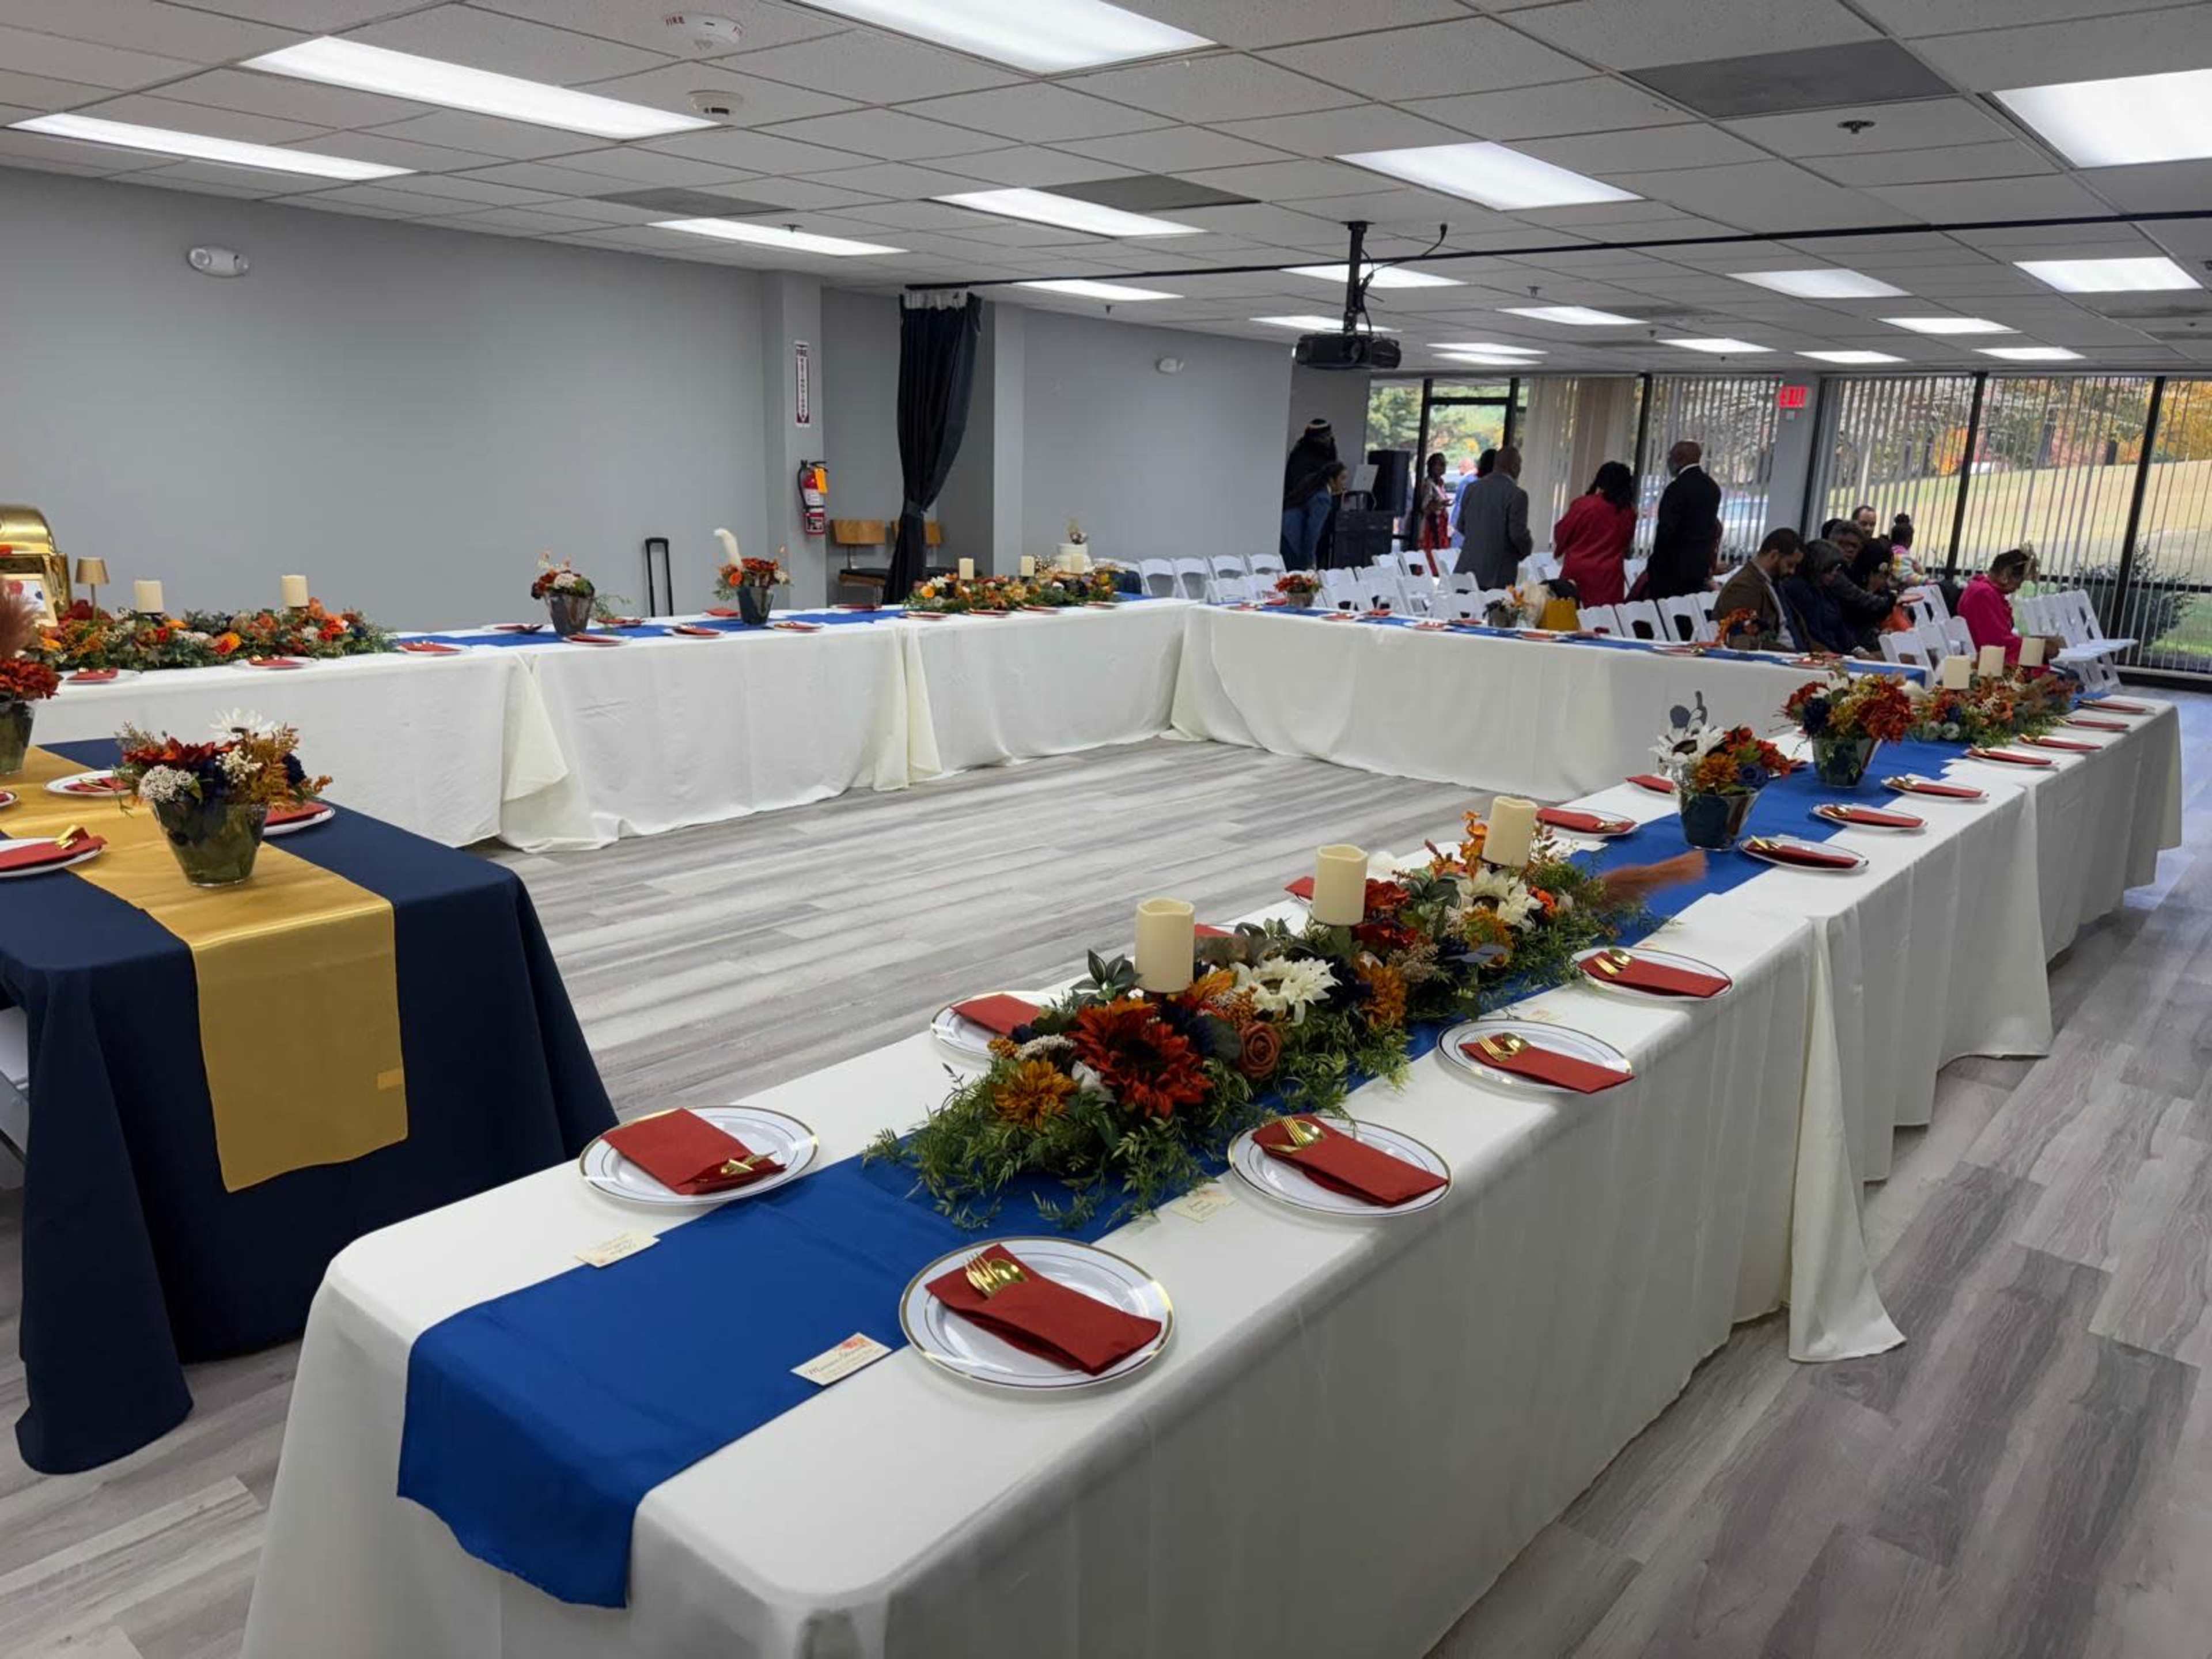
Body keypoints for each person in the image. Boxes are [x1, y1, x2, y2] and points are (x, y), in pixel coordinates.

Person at [1959, 547, 2065, 668]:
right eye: (2019, 581)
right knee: (2070, 677)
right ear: (2006, 574)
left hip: (1988, 659)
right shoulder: (1984, 594)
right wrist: (2040, 648)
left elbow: (1998, 637)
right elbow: (1998, 644)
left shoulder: (1980, 589)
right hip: (1991, 666)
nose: (2019, 587)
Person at [1551, 461, 1637, 607]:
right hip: (1610, 577)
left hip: (1578, 574)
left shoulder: (1584, 505)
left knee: (1572, 619)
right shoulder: (1628, 512)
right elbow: (1625, 545)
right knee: (1605, 622)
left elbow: (1562, 533)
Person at [1645, 440, 1721, 599]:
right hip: (1698, 568)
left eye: (1670, 456)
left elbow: (1666, 530)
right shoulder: (1712, 487)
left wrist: (1655, 563)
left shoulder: (1677, 488)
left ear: (1680, 457)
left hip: (1671, 570)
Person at [1711, 527, 1802, 649]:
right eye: (1790, 565)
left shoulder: (1773, 583)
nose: (1792, 571)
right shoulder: (1744, 587)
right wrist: (1793, 654)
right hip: (1777, 658)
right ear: (1774, 555)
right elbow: (1744, 640)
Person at [1454, 445, 1531, 587]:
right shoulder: (1517, 495)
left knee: (1463, 608)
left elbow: (1461, 525)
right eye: (1519, 464)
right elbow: (1518, 534)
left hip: (1466, 570)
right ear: (1514, 466)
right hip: (1497, 574)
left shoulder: (1472, 489)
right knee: (1493, 609)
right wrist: (1526, 550)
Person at [1779, 540, 1863, 656]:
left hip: (1836, 652)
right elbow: (1815, 633)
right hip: (1821, 653)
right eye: (1831, 569)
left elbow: (1840, 628)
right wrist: (1847, 655)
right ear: (1817, 567)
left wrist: (1858, 650)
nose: (1835, 573)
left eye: (1837, 568)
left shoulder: (1826, 589)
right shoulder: (1799, 589)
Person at [1280, 418, 1338, 570]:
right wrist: (1309, 562)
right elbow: (1312, 532)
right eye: (1323, 437)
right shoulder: (1301, 456)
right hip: (1294, 530)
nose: (1327, 440)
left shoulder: (1329, 452)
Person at [1406, 452, 1454, 575]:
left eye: (1445, 464)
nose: (1443, 467)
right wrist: (1439, 505)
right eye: (1440, 464)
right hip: (1430, 529)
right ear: (1432, 466)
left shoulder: (1440, 484)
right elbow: (1424, 507)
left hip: (1440, 528)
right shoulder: (1428, 485)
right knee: (1429, 560)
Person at [1312, 463, 1351, 570]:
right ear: (1331, 480)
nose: (1344, 483)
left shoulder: (1325, 495)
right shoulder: (1322, 498)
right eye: (1342, 479)